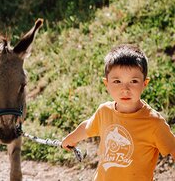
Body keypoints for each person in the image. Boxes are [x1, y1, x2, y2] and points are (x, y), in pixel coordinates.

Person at [62, 44, 175, 180]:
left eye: (133, 81)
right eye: (117, 81)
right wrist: (70, 139)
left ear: (144, 83)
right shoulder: (104, 111)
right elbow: (87, 128)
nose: (125, 89)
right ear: (107, 84)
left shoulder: (154, 123)